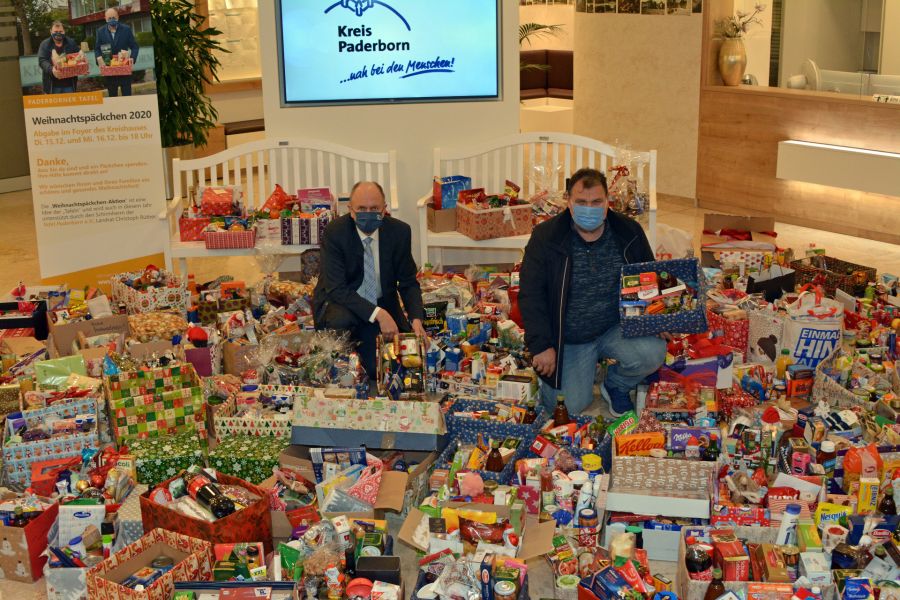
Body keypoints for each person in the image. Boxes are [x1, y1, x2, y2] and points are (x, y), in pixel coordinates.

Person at [518, 168, 667, 417]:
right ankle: (585, 370)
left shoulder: (628, 232)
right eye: (581, 202)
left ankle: (616, 384)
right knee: (566, 407)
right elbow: (531, 294)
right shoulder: (546, 237)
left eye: (596, 202)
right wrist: (541, 345)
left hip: (616, 326)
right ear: (568, 202)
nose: (589, 208)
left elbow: (649, 277)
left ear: (607, 202)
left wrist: (660, 316)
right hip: (570, 337)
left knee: (653, 353)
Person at [313, 181, 427, 378]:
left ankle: (365, 344)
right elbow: (336, 288)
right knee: (341, 323)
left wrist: (416, 319)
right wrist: (379, 314)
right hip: (342, 304)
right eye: (361, 209)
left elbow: (408, 282)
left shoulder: (399, 232)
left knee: (382, 370)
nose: (368, 214)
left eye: (374, 209)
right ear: (351, 210)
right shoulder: (335, 232)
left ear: (384, 210)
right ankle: (340, 352)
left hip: (381, 302)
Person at [94, 8, 139, 97]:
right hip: (109, 72)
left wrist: (132, 59)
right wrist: (100, 61)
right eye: (109, 18)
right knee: (113, 99)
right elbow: (97, 49)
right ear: (105, 19)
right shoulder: (100, 32)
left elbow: (135, 47)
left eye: (114, 17)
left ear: (118, 17)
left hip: (124, 71)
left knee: (127, 99)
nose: (112, 20)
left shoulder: (126, 29)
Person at [37, 21, 80, 94]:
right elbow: (42, 61)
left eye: (60, 31)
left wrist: (83, 67)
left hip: (69, 84)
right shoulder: (44, 44)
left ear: (64, 31)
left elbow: (78, 56)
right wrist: (51, 69)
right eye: (56, 31)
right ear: (51, 32)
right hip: (52, 85)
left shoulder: (71, 42)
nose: (58, 33)